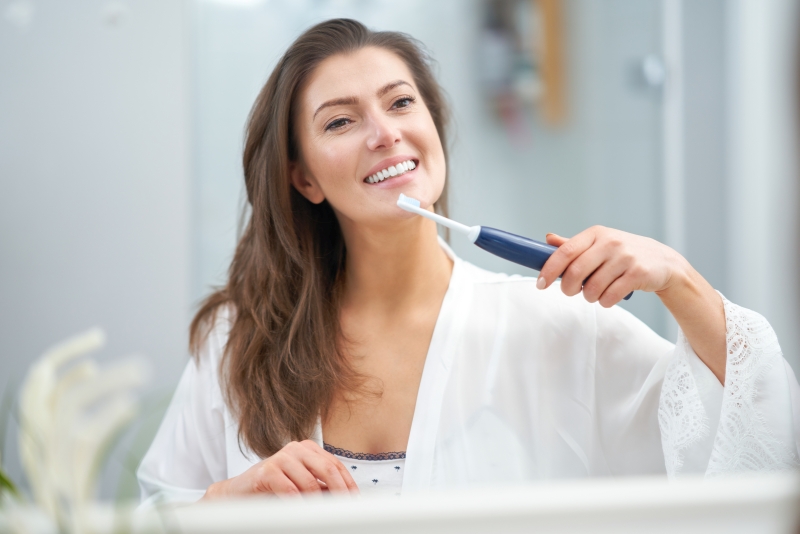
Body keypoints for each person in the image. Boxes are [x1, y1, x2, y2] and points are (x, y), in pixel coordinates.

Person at [137, 19, 800, 504]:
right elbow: (145, 514)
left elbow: (754, 434)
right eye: (341, 122)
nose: (384, 132)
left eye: (401, 102)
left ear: (433, 129)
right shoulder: (239, 339)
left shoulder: (555, 323)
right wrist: (227, 503)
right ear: (303, 179)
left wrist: (676, 278)